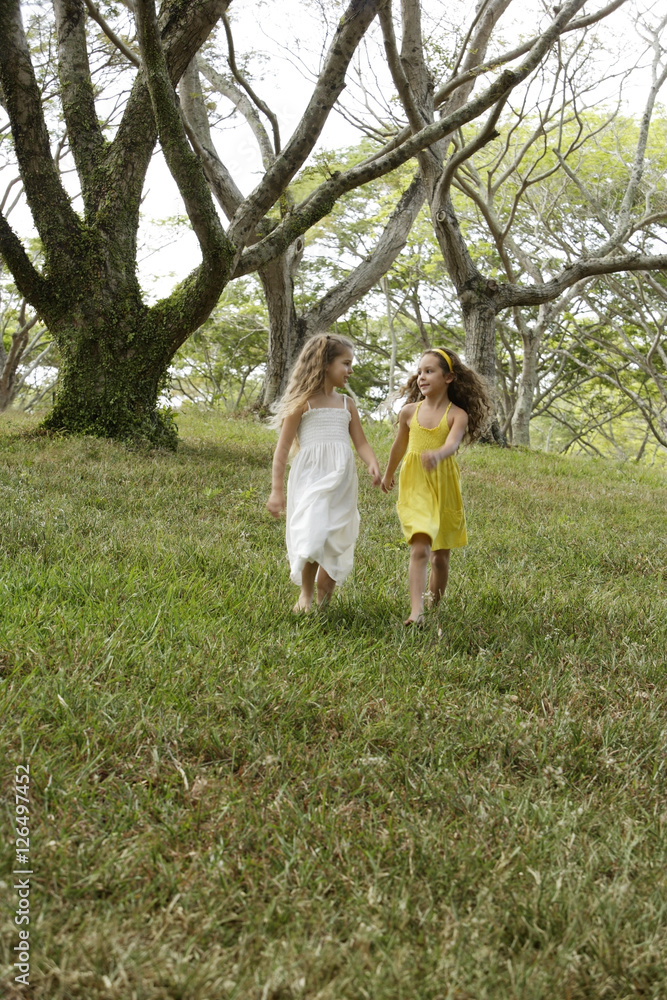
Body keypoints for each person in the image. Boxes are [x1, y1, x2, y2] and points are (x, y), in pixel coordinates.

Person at [267, 334, 382, 612]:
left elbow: (361, 443)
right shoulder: (302, 403)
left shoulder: (346, 405)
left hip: (342, 482)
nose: (350, 370)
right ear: (324, 364)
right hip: (310, 479)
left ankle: (323, 600)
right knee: (312, 533)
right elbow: (282, 451)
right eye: (346, 363)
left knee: (334, 538)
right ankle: (306, 594)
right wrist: (276, 490)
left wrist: (372, 462)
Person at [381, 348, 491, 625]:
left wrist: (440, 454)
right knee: (420, 547)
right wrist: (388, 473)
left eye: (429, 371)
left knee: (440, 558)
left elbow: (452, 444)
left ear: (449, 377)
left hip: (444, 485)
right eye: (420, 372)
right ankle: (416, 612)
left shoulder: (458, 415)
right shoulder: (408, 412)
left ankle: (434, 604)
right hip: (415, 482)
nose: (421, 377)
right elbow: (399, 446)